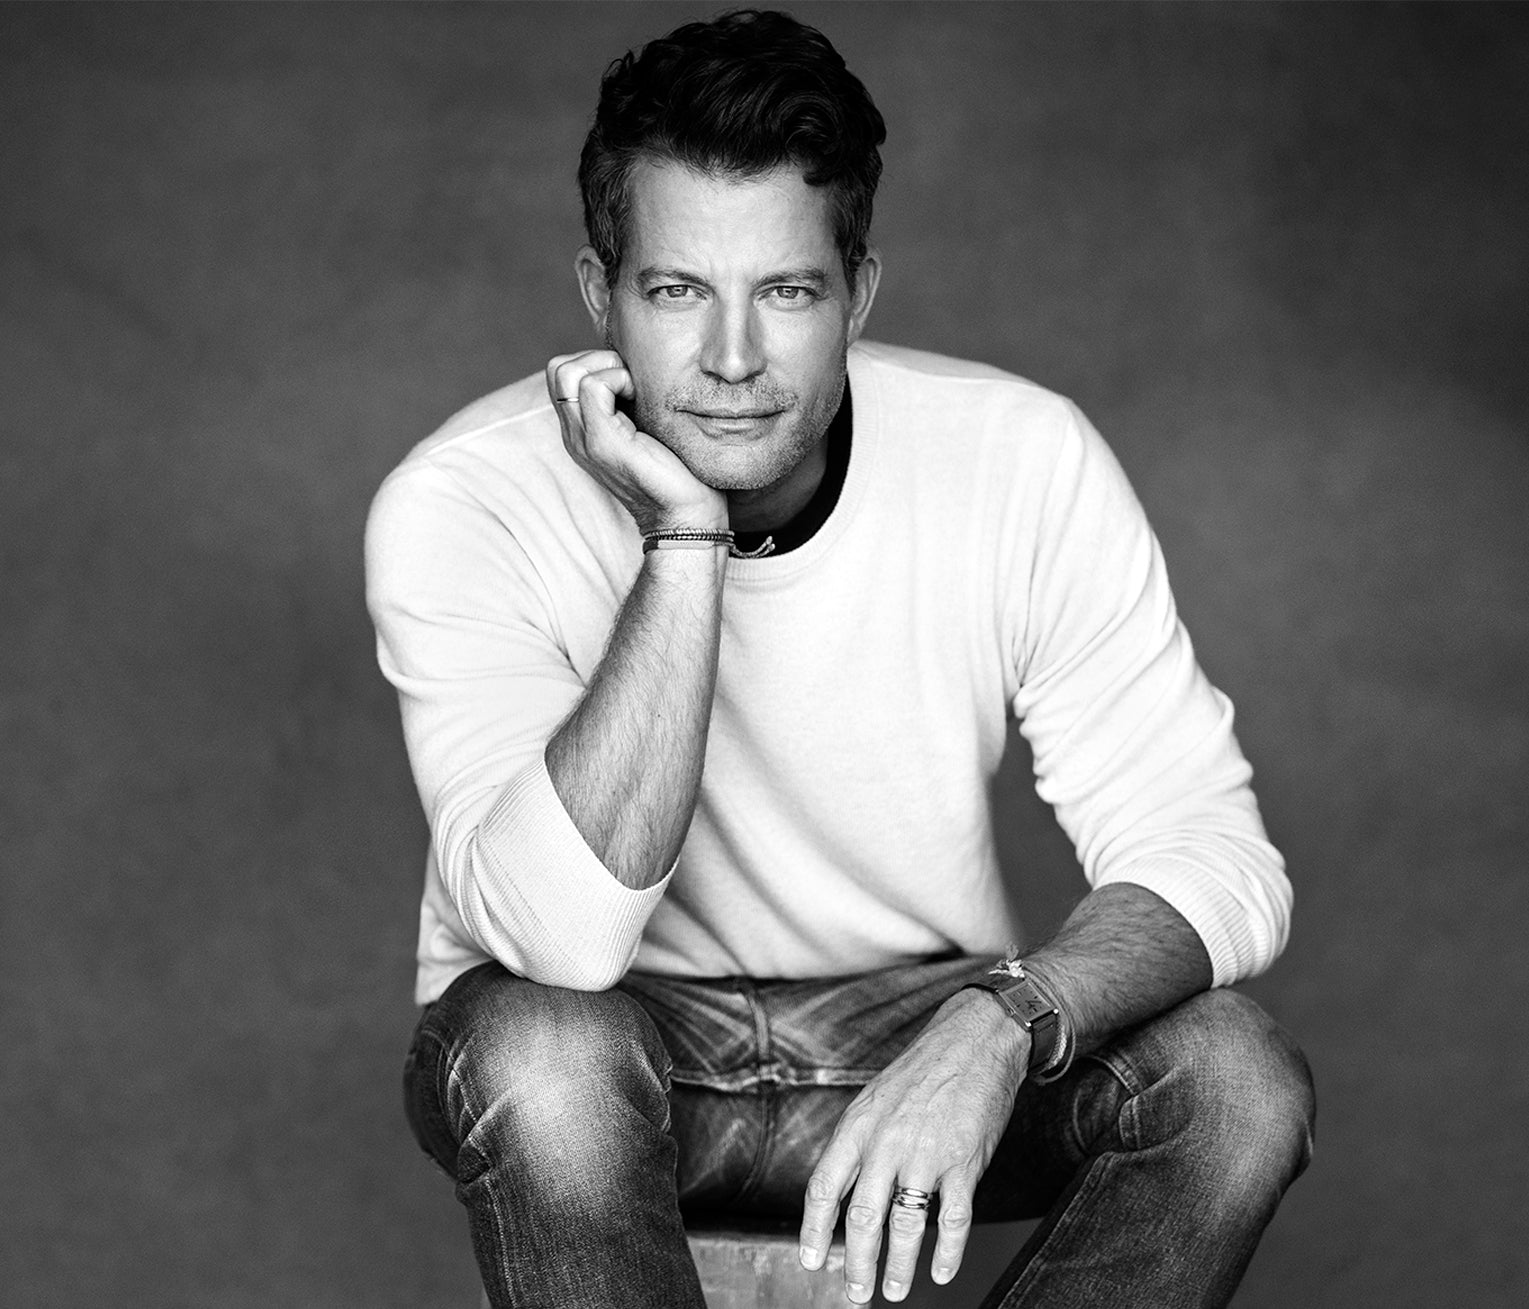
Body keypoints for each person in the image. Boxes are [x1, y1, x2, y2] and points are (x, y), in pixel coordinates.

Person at [365, 9, 1314, 1307]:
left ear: (856, 295)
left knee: (1234, 1081)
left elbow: (1214, 856)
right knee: (542, 1058)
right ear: (599, 295)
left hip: (917, 1038)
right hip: (615, 1045)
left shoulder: (1017, 456)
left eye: (788, 292)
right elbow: (562, 941)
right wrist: (685, 538)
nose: (732, 359)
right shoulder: (464, 498)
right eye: (677, 291)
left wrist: (1003, 1021)